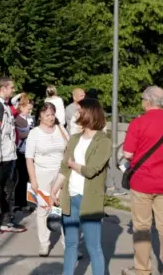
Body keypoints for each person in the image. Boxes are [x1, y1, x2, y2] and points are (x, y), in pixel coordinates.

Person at [121, 86, 163, 275]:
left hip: (141, 184)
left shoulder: (137, 124)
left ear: (148, 101)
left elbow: (127, 153)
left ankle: (143, 270)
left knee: (142, 228)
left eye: (143, 98)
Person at [50, 97, 111, 275]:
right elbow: (64, 167)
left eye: (79, 110)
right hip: (70, 197)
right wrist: (54, 190)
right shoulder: (74, 138)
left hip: (89, 200)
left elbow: (91, 170)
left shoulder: (104, 141)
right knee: (70, 244)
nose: (76, 113)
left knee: (93, 247)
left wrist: (72, 164)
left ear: (89, 113)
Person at [25, 103, 69, 257]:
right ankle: (44, 243)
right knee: (43, 209)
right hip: (42, 174)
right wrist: (33, 180)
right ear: (40, 116)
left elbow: (68, 150)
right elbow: (29, 158)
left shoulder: (61, 130)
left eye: (52, 114)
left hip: (61, 173)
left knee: (61, 208)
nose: (51, 118)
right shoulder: (35, 133)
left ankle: (67, 244)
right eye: (47, 115)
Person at [0, 77, 25, 232]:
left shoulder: (4, 105)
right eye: (11, 87)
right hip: (3, 157)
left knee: (7, 188)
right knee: (0, 190)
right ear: (3, 89)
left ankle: (3, 219)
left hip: (9, 154)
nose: (13, 90)